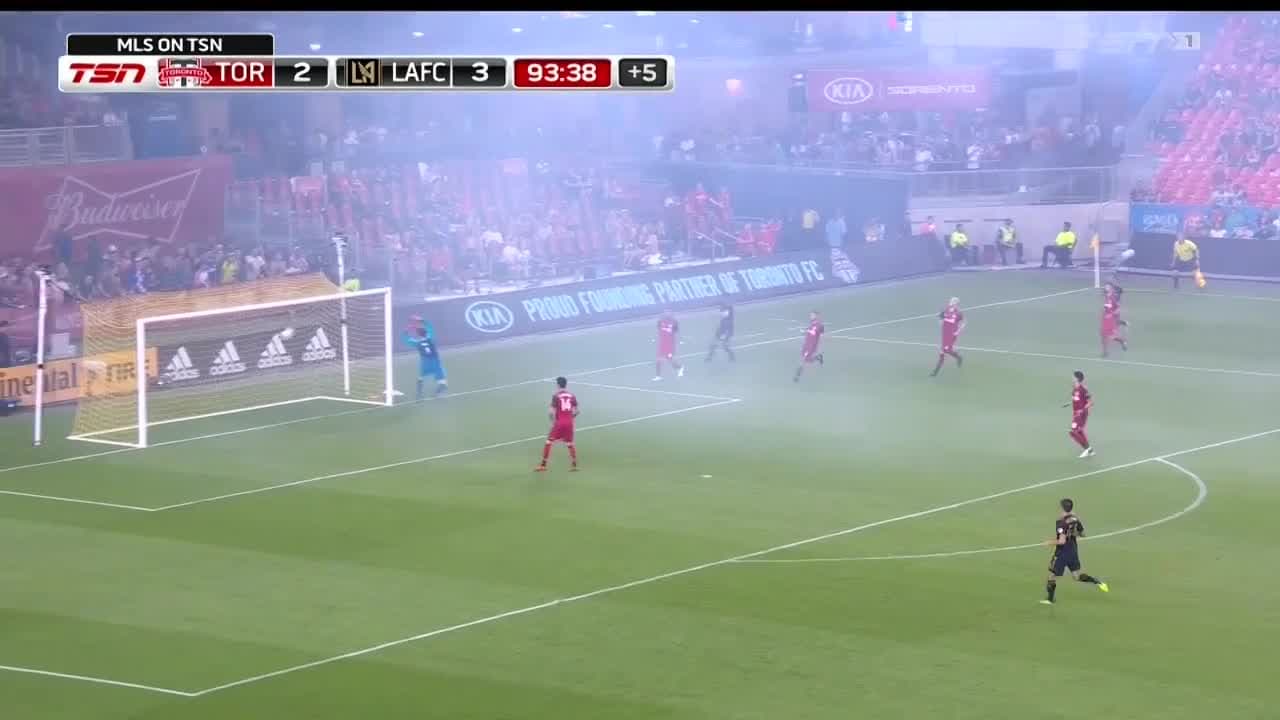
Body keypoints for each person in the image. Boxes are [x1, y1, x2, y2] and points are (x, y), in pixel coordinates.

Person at [1041, 497, 1109, 605]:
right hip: (1073, 550)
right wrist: (1073, 533)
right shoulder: (1075, 519)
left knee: (1051, 576)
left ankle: (1050, 600)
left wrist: (1049, 542)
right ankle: (1097, 582)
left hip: (1062, 553)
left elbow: (1062, 541)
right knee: (1076, 576)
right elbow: (1083, 534)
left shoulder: (1061, 523)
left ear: (1062, 508)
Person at [536, 376, 579, 472]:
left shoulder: (556, 396)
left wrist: (553, 422)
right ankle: (574, 465)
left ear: (558, 385)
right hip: (569, 423)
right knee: (569, 443)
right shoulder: (572, 396)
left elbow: (551, 413)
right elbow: (577, 411)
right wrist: (570, 418)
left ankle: (543, 465)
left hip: (559, 423)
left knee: (549, 442)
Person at [404, 316, 447, 399]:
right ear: (426, 333)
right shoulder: (430, 338)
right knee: (442, 382)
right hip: (435, 362)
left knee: (420, 378)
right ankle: (437, 393)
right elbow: (430, 328)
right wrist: (422, 320)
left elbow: (406, 339)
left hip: (425, 363)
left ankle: (419, 394)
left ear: (418, 335)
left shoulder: (416, 343)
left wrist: (407, 330)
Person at [931, 297, 965, 377]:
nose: (951, 302)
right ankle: (958, 357)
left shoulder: (958, 313)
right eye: (951, 301)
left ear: (956, 303)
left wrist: (958, 331)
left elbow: (963, 322)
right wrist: (941, 322)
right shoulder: (945, 310)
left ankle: (935, 371)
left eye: (954, 301)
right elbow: (940, 318)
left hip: (952, 334)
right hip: (945, 333)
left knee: (944, 350)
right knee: (944, 351)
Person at [1064, 370, 1094, 458]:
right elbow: (1077, 399)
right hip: (1076, 413)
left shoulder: (1083, 389)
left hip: (1081, 413)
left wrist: (1082, 410)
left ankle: (1087, 449)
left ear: (1077, 378)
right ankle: (1090, 450)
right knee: (1079, 431)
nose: (1072, 378)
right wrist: (1069, 403)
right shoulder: (1075, 388)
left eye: (1073, 377)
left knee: (1073, 431)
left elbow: (1091, 402)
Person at [793, 310, 825, 383]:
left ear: (817, 316)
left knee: (803, 360)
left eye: (812, 315)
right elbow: (809, 333)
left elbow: (819, 335)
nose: (811, 316)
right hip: (806, 344)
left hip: (811, 345)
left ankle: (797, 376)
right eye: (810, 315)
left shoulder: (820, 325)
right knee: (808, 360)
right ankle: (818, 357)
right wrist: (804, 333)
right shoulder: (811, 324)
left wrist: (819, 347)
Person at [654, 309, 684, 381]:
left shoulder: (674, 322)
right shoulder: (660, 321)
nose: (667, 314)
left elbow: (676, 331)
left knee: (670, 359)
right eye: (665, 312)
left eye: (668, 312)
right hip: (662, 344)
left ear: (671, 314)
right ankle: (658, 376)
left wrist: (679, 339)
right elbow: (658, 329)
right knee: (658, 360)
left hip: (670, 344)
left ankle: (680, 367)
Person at [1101, 282, 1128, 357]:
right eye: (1105, 286)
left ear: (1111, 288)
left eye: (1107, 287)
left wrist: (1112, 314)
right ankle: (1105, 352)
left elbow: (1118, 308)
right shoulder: (1107, 296)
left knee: (1111, 336)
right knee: (1103, 335)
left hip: (1110, 319)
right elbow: (1107, 307)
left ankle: (1122, 341)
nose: (1105, 288)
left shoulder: (1113, 297)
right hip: (1105, 319)